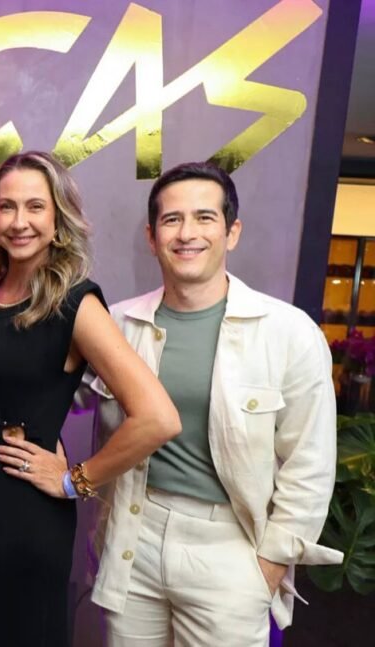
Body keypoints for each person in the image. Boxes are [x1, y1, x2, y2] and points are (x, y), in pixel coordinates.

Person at [0, 151, 180, 646]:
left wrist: (76, 479)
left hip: (24, 521)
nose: (20, 221)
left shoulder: (76, 303)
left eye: (35, 206)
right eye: (7, 207)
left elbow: (158, 418)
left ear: (58, 221)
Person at [87, 162, 342, 646]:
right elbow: (52, 390)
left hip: (230, 549)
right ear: (152, 236)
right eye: (172, 219)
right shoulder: (117, 323)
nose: (187, 233)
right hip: (133, 538)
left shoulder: (289, 333)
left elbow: (309, 465)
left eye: (205, 218)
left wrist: (267, 567)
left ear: (232, 232)